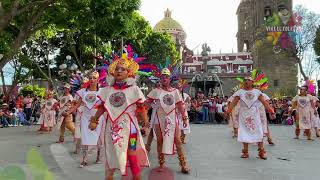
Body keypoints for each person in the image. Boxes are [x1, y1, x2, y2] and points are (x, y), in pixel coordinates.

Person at [89, 52, 150, 180]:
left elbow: (141, 107)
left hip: (131, 130)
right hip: (111, 129)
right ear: (113, 72)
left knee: (132, 155)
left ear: (129, 73)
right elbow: (102, 107)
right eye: (117, 69)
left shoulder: (134, 89)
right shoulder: (107, 90)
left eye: (123, 69)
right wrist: (94, 119)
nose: (119, 71)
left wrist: (145, 124)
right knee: (111, 156)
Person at [146, 68, 190, 173]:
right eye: (162, 76)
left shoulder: (175, 91)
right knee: (160, 141)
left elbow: (180, 105)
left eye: (166, 76)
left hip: (172, 119)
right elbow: (147, 103)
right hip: (158, 119)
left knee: (178, 141)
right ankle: (161, 164)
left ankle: (183, 165)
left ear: (170, 79)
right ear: (160, 79)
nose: (164, 78)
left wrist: (184, 117)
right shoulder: (156, 91)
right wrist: (140, 110)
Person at [225, 76, 275, 159]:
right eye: (245, 80)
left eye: (248, 80)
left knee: (259, 132)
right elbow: (233, 103)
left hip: (255, 114)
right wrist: (227, 112)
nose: (246, 81)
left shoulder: (257, 92)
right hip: (243, 114)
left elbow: (265, 102)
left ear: (252, 82)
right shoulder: (239, 92)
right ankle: (245, 152)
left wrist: (271, 111)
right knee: (244, 132)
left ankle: (261, 152)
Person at [64, 71, 103, 167]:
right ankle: (84, 159)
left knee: (99, 138)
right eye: (90, 78)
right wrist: (68, 112)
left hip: (98, 117)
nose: (92, 80)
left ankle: (98, 157)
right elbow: (77, 105)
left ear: (98, 80)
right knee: (85, 138)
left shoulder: (102, 91)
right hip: (85, 117)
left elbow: (105, 105)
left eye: (94, 78)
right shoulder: (83, 92)